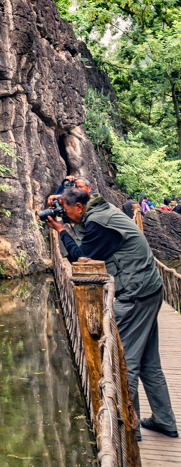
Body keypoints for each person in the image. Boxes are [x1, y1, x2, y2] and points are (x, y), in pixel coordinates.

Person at [46, 187, 178, 441]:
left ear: (80, 207)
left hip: (135, 297)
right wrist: (64, 209)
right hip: (150, 290)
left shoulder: (99, 224)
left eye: (66, 208)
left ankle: (130, 431)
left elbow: (82, 257)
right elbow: (86, 236)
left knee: (124, 364)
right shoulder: (101, 209)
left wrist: (62, 230)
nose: (64, 213)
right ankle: (164, 420)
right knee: (150, 364)